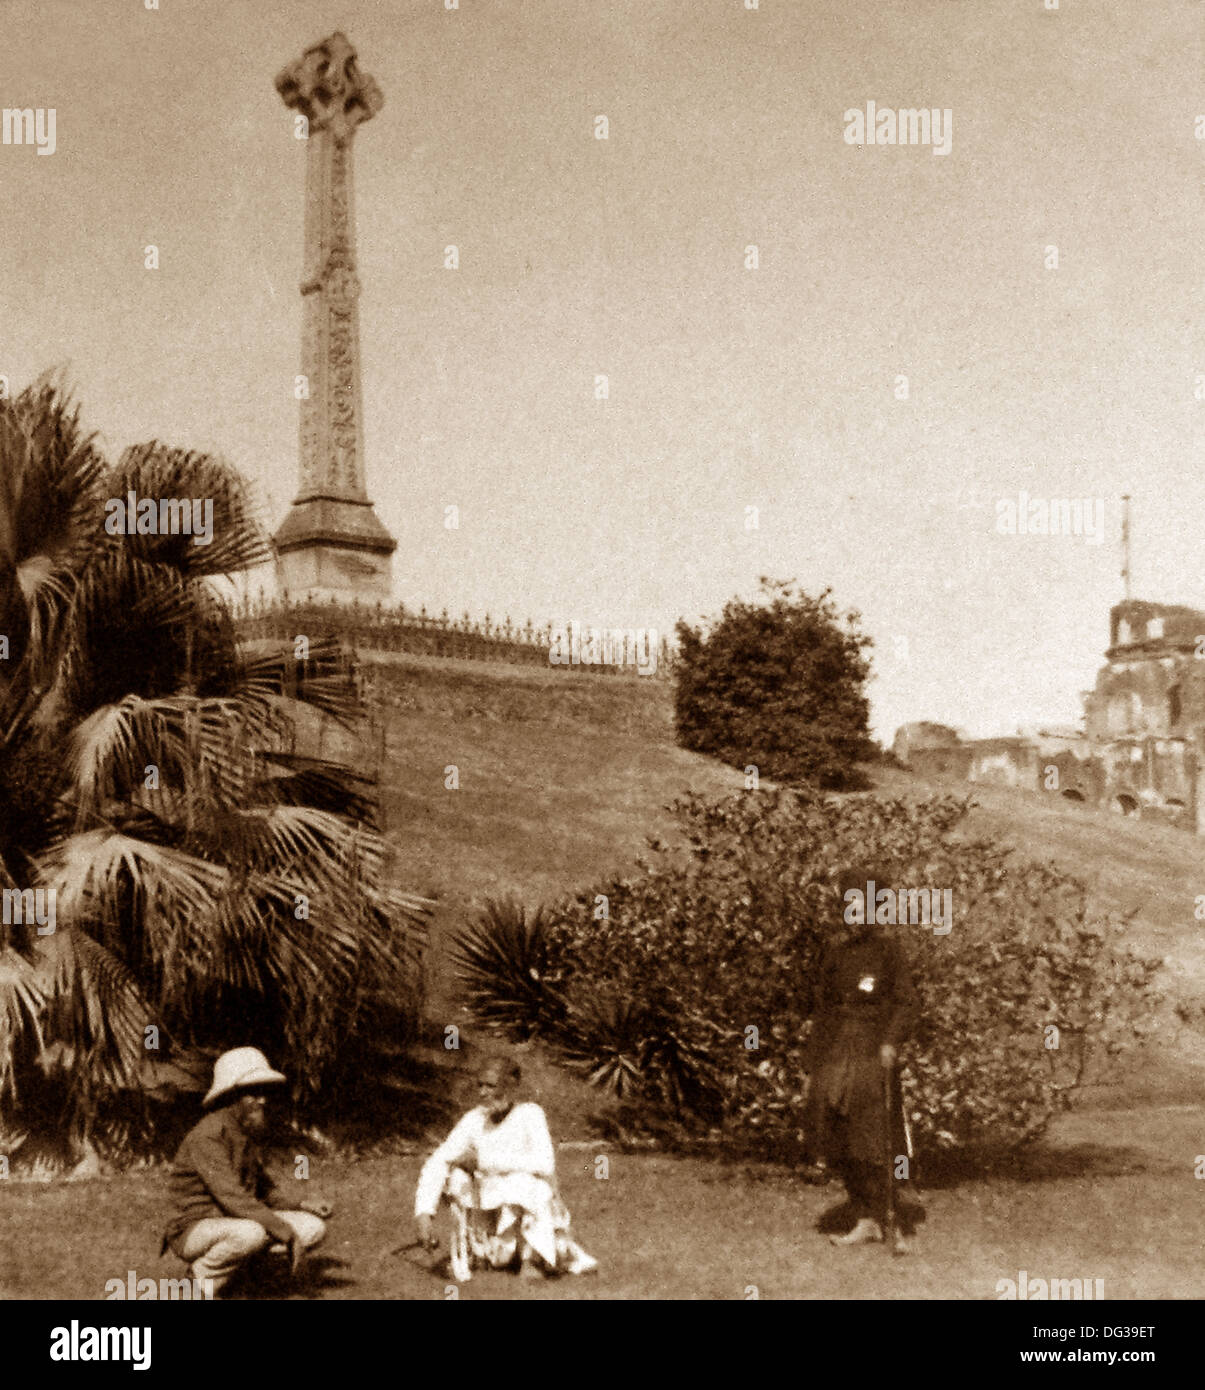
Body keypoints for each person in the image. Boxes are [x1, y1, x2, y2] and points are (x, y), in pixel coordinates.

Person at [803, 867, 921, 1254]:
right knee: (837, 1135)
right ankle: (865, 1219)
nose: (853, 911)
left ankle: (893, 1220)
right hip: (836, 1051)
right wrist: (814, 1061)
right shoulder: (834, 952)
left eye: (860, 904)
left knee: (873, 1139)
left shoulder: (889, 952)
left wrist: (890, 1042)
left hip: (873, 1051)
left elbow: (907, 1002)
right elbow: (821, 1008)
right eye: (848, 904)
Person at [161, 1047, 333, 1296]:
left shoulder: (244, 1131)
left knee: (313, 1227)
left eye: (263, 1092)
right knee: (250, 1233)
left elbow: (263, 1190)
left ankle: (247, 1276)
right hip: (194, 1227)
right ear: (232, 1096)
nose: (262, 1100)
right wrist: (285, 1233)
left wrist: (303, 1203)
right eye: (253, 1093)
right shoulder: (208, 1136)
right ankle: (197, 1282)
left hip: (232, 1219)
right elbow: (233, 1197)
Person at [414, 1056, 597, 1281]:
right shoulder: (473, 1119)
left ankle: (533, 1259)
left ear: (511, 1086)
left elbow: (544, 1163)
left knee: (529, 1184)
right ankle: (479, 1251)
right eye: (480, 1085)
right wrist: (424, 1213)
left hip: (528, 1203)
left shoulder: (531, 1114)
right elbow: (439, 1160)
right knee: (457, 1178)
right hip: (489, 1205)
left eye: (490, 1086)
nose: (483, 1092)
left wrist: (483, 1161)